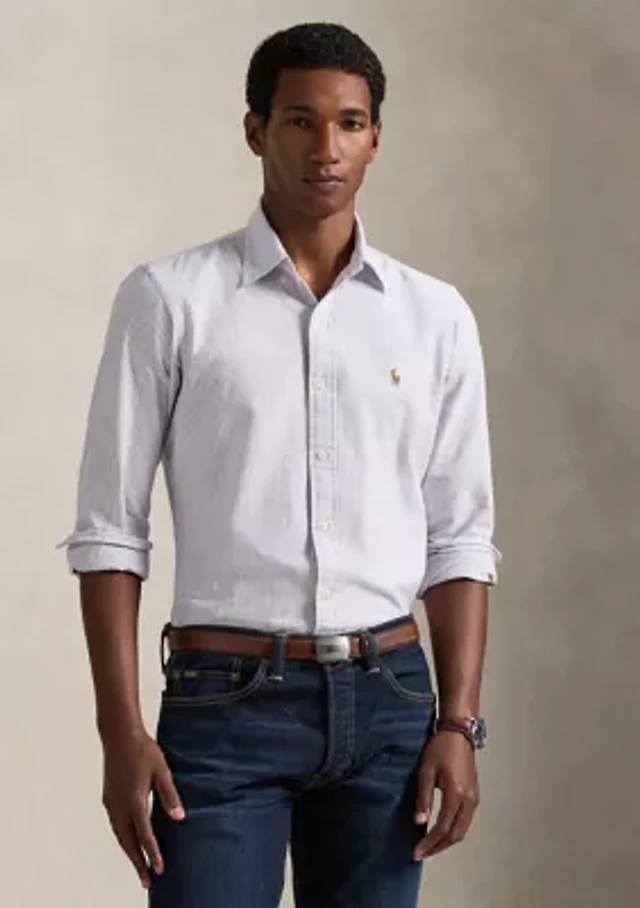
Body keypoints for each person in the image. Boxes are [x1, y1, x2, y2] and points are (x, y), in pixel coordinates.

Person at [57, 21, 501, 908]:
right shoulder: (169, 301)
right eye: (300, 120)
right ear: (256, 130)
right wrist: (119, 731)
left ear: (375, 137)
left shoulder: (435, 317)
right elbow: (110, 532)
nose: (325, 147)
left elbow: (459, 537)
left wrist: (458, 722)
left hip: (389, 702)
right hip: (225, 707)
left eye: (349, 123)